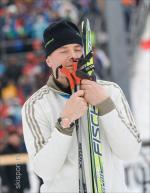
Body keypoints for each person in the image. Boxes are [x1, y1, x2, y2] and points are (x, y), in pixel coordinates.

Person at [22, 20, 141, 193]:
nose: (73, 56)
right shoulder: (35, 106)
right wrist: (65, 122)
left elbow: (129, 152)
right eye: (63, 51)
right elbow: (44, 170)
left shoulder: (110, 91)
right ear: (48, 60)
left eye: (77, 49)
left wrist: (104, 105)